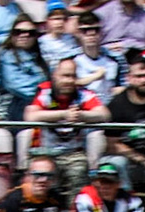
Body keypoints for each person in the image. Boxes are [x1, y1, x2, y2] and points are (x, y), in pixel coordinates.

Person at [26, 57, 110, 190]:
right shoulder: (45, 92)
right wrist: (63, 114)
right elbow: (30, 116)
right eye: (65, 76)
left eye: (73, 76)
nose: (69, 80)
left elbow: (104, 114)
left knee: (79, 176)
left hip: (75, 154)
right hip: (47, 153)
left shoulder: (83, 94)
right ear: (54, 75)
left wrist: (82, 115)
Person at [0, 154, 73, 212]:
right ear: (28, 176)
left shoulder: (56, 198)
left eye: (49, 175)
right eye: (37, 175)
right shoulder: (13, 200)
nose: (43, 180)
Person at [69, 13, 123, 102]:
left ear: (101, 32)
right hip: (83, 106)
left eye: (96, 30)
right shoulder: (70, 60)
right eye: (85, 30)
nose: (91, 34)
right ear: (78, 33)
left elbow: (124, 84)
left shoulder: (116, 58)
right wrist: (96, 76)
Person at [75, 155, 145, 212]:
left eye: (110, 182)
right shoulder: (86, 200)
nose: (105, 187)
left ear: (119, 184)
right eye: (102, 182)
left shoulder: (132, 202)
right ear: (95, 184)